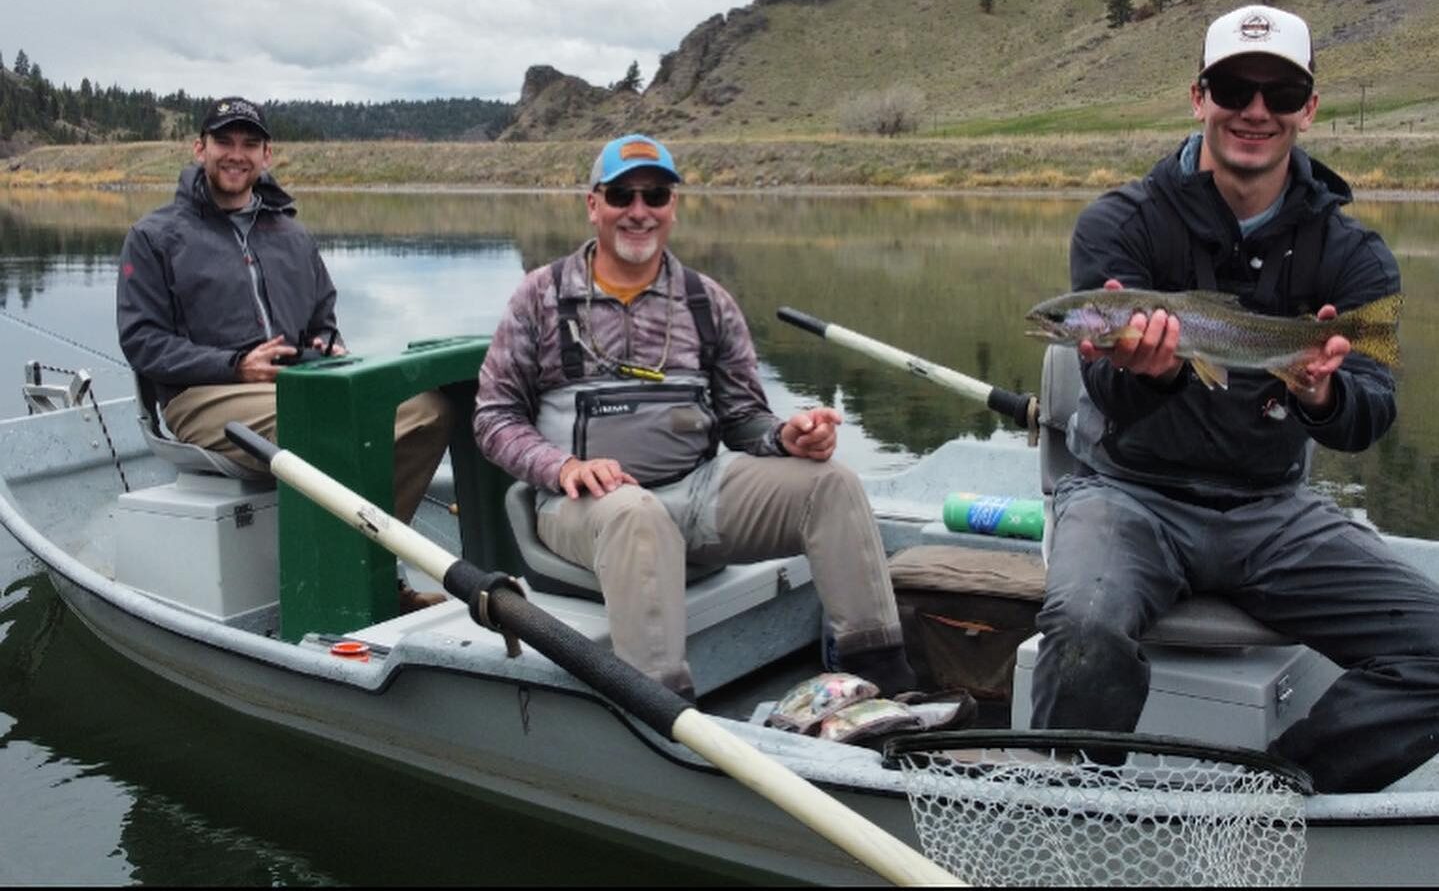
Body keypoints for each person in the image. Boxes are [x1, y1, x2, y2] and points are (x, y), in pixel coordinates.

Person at [1032, 4, 1439, 792]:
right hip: (1127, 496)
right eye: (1232, 87)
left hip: (1274, 512)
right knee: (1083, 627)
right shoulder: (1119, 223)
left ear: (1308, 109)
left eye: (1280, 92)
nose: (1255, 110)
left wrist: (1322, 397)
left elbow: (1370, 412)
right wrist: (1151, 372)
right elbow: (1105, 394)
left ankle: (1272, 794)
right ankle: (1074, 803)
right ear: (1199, 96)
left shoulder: (1352, 251)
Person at [473, 133, 914, 698]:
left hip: (699, 493)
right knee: (636, 513)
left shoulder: (708, 302)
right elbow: (494, 418)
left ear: (673, 207)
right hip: (582, 510)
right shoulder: (540, 295)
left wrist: (787, 436)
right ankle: (665, 714)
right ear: (593, 205)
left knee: (831, 485)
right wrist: (560, 467)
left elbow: (743, 419)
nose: (638, 212)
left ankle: (885, 686)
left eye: (655, 196)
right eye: (621, 195)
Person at [117, 96, 453, 612]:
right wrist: (234, 365)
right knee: (329, 427)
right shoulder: (154, 236)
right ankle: (347, 584)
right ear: (198, 148)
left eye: (250, 143)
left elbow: (323, 319)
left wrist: (323, 345)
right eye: (224, 142)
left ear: (267, 154)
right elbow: (142, 342)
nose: (237, 154)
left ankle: (364, 565)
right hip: (203, 397)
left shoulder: (292, 235)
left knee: (429, 412)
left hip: (296, 387)